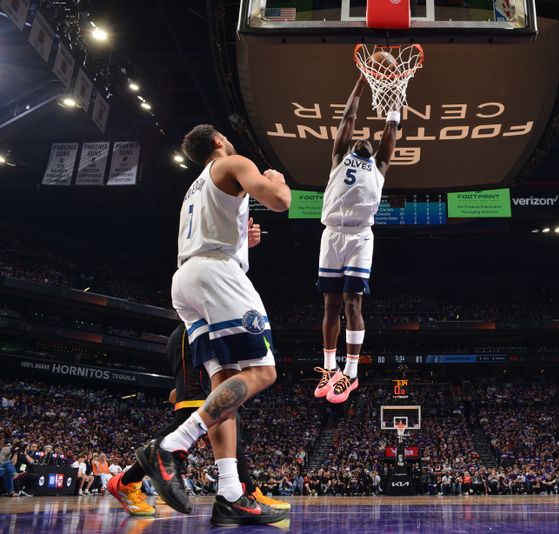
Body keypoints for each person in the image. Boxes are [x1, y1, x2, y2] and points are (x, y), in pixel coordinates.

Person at [134, 124, 290, 526]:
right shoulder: (233, 162)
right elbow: (278, 201)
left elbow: (213, 231)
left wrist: (243, 240)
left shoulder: (196, 187)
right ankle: (171, 445)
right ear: (218, 140)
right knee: (263, 371)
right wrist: (276, 180)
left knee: (225, 386)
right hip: (217, 275)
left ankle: (230, 494)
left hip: (186, 279)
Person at [109, 324, 290, 516]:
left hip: (214, 335)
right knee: (192, 415)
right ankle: (126, 483)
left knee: (227, 412)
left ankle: (246, 490)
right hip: (198, 335)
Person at [314, 73, 400, 404]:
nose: (362, 138)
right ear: (349, 147)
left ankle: (350, 372)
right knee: (330, 304)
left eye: (368, 138)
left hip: (361, 238)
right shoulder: (339, 158)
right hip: (332, 235)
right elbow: (349, 116)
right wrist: (361, 83)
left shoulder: (379, 164)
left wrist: (393, 93)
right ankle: (329, 368)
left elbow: (390, 131)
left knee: (352, 302)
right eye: (356, 138)